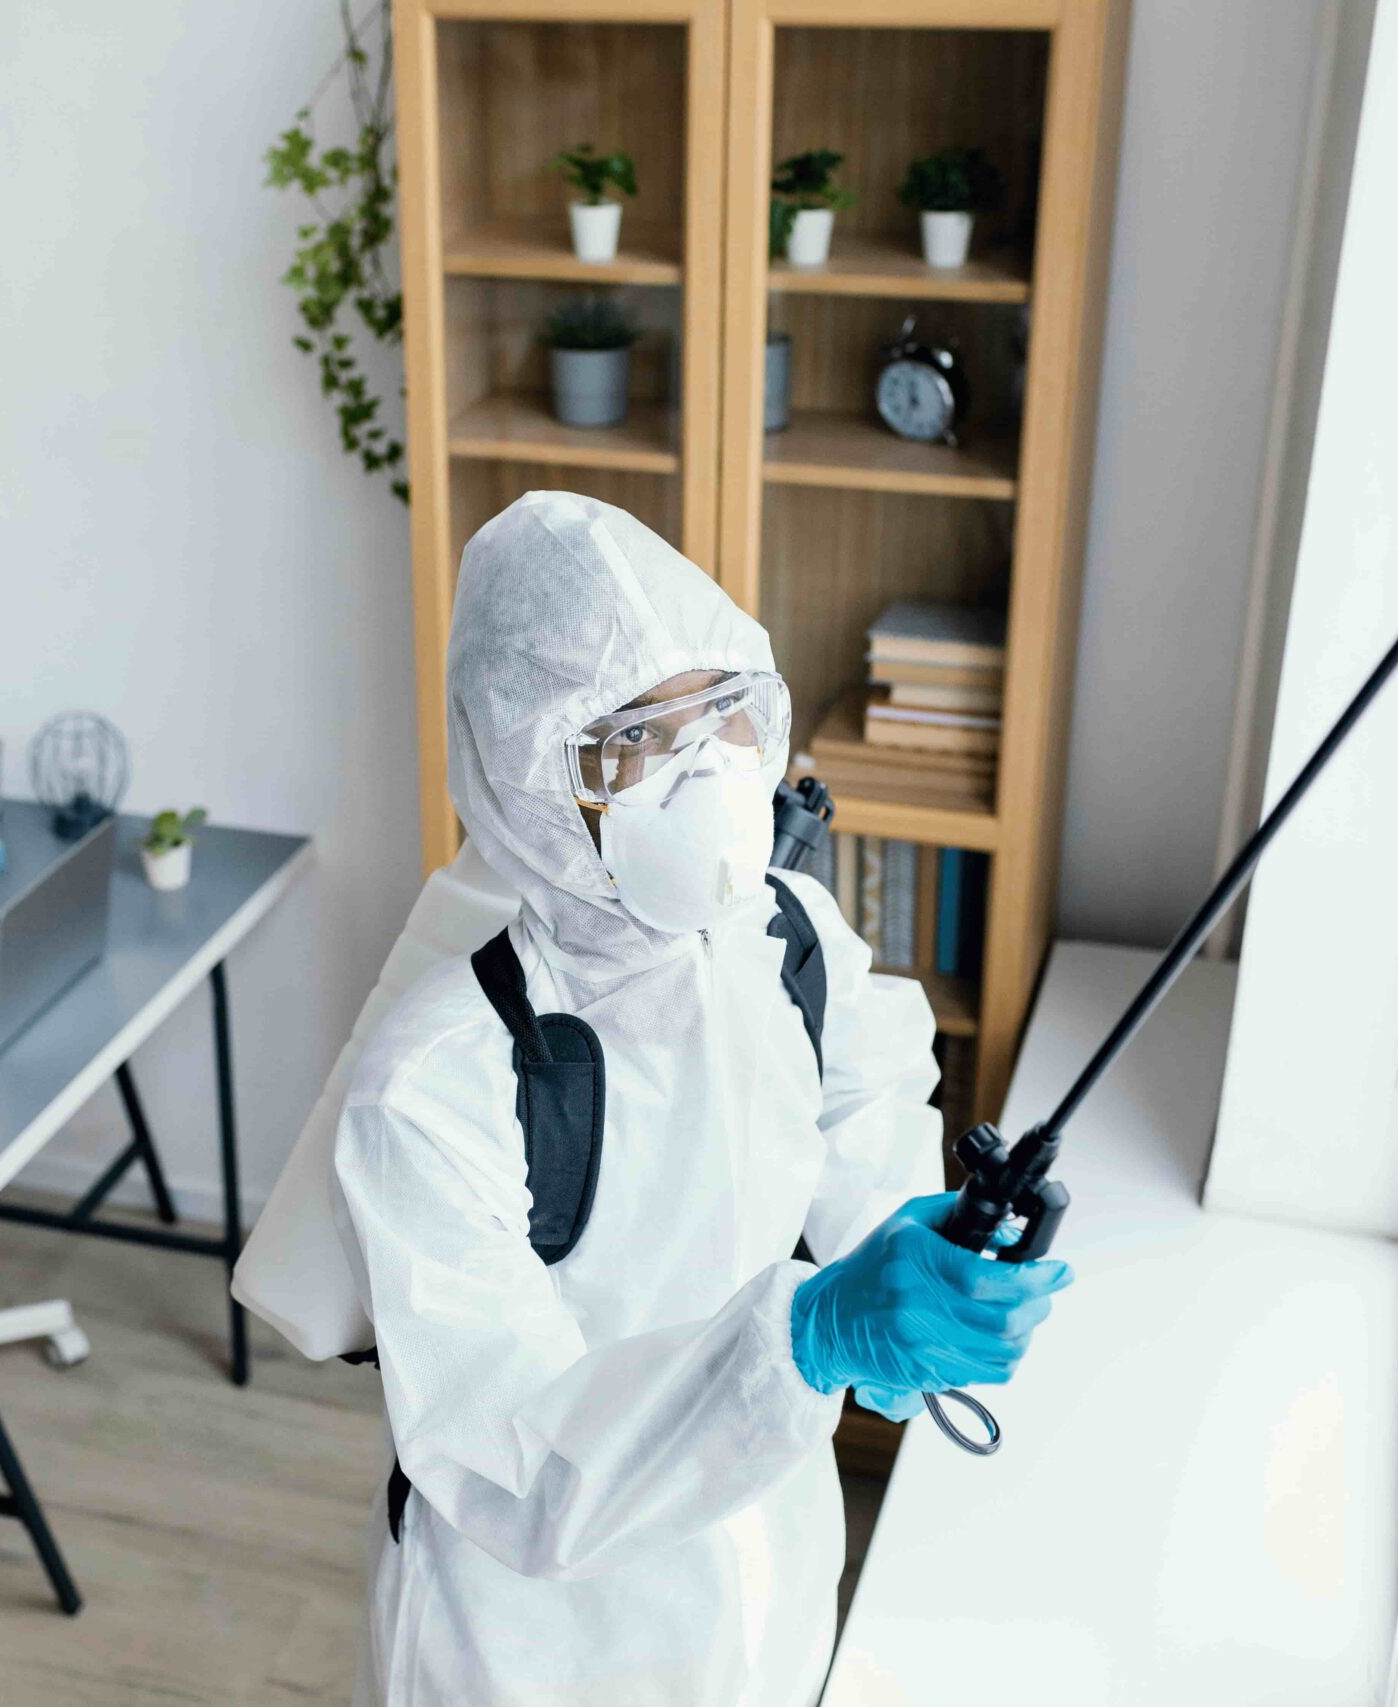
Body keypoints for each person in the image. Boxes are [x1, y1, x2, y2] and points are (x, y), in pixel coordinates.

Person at [331, 491, 1072, 1704]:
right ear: (529, 782)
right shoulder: (436, 1086)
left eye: (719, 710)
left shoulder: (785, 935)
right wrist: (812, 1336)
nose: (707, 773)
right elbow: (516, 1463)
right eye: (634, 745)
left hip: (767, 1559)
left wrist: (916, 1257)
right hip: (536, 1647)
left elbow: (864, 1104)